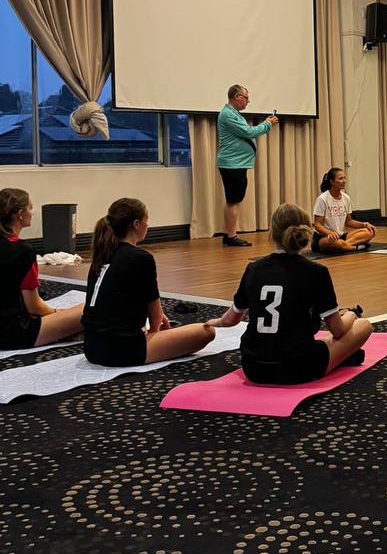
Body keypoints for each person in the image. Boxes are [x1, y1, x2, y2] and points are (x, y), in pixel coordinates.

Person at [208, 203, 372, 385]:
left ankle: (338, 356)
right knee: (364, 326)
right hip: (297, 368)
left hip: (253, 367)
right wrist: (350, 314)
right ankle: (341, 355)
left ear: (273, 233)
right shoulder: (316, 272)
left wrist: (214, 323)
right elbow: (338, 330)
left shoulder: (253, 268)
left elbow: (230, 320)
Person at [83, 198, 215, 366]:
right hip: (119, 351)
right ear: (136, 224)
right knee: (206, 331)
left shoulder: (103, 253)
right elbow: (154, 312)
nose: (148, 225)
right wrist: (154, 334)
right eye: (147, 221)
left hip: (91, 347)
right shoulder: (141, 258)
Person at [0, 188, 83, 351]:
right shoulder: (22, 250)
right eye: (31, 208)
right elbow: (34, 307)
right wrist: (58, 313)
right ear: (20, 214)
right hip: (14, 332)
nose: (33, 211)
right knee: (89, 311)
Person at [216, 84, 279, 247]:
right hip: (232, 164)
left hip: (236, 163)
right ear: (237, 97)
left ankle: (229, 234)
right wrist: (268, 124)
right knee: (233, 200)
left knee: (233, 200)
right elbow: (249, 132)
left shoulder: (233, 114)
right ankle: (231, 236)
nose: (247, 102)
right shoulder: (228, 115)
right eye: (246, 98)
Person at [311, 167, 375, 254]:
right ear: (332, 181)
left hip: (340, 237)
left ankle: (344, 246)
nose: (344, 180)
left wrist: (364, 224)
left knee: (370, 232)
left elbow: (349, 221)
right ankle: (354, 247)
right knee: (334, 242)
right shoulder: (322, 199)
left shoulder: (346, 198)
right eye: (341, 178)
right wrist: (329, 233)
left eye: (344, 178)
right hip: (324, 237)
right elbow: (317, 224)